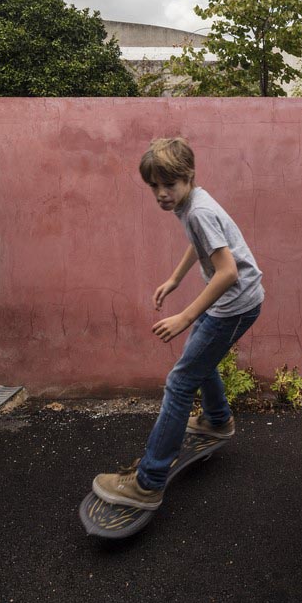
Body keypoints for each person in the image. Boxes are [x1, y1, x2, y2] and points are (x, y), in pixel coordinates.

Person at [93, 136, 264, 510]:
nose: (161, 194)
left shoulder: (199, 210)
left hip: (236, 305)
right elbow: (198, 242)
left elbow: (228, 273)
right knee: (196, 362)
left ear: (189, 177)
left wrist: (187, 316)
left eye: (169, 185)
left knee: (180, 380)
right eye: (154, 186)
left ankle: (148, 481)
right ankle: (217, 419)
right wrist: (174, 279)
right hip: (227, 302)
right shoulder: (190, 206)